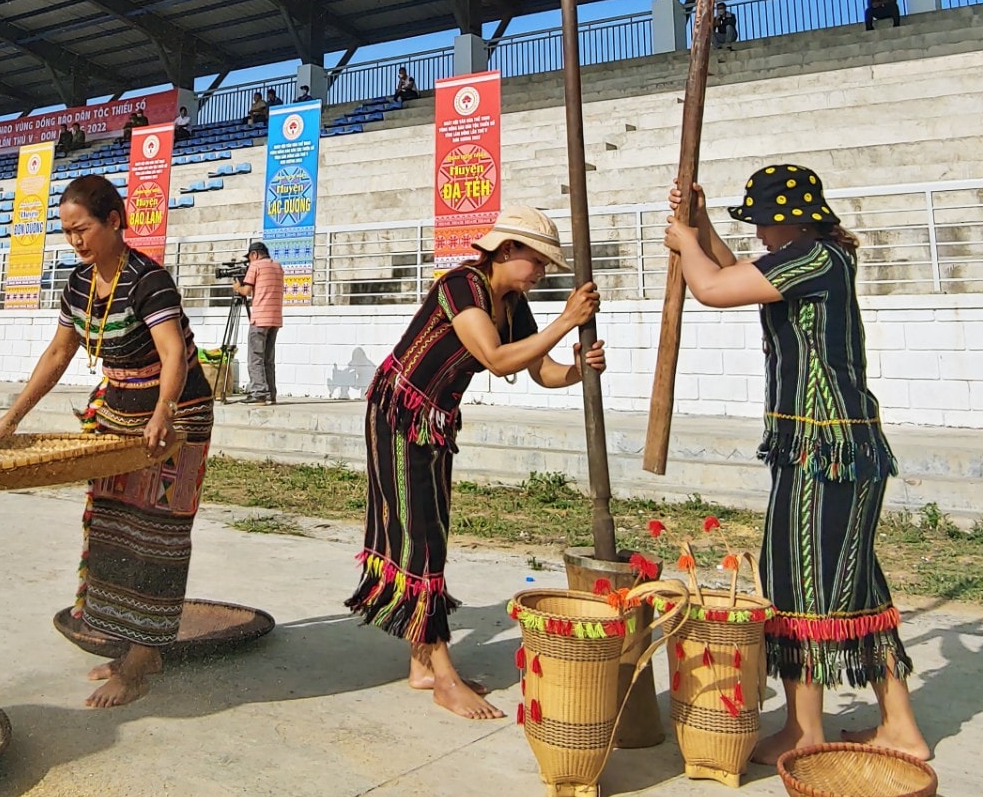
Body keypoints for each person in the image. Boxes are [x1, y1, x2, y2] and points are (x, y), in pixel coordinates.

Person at [663, 165, 928, 763]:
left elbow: (713, 287)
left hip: (823, 452)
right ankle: (900, 727)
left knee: (797, 584)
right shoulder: (817, 257)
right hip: (834, 447)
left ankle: (805, 729)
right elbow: (735, 272)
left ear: (793, 219)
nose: (757, 231)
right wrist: (700, 222)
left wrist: (685, 243)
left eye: (762, 220)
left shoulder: (816, 260)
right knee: (858, 584)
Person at [345, 205, 605, 720]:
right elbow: (496, 358)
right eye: (538, 262)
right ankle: (442, 676)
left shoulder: (514, 302)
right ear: (507, 251)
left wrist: (578, 369)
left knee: (430, 530)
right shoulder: (461, 285)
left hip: (435, 423)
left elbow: (541, 371)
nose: (542, 273)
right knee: (419, 537)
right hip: (398, 415)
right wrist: (566, 321)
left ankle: (422, 664)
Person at [0, 174, 214, 709]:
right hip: (117, 408)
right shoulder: (79, 283)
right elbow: (59, 355)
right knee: (110, 523)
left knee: (155, 530)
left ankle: (140, 661)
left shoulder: (148, 280)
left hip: (176, 414)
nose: (75, 241)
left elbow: (174, 354)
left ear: (113, 221)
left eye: (82, 229)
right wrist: (11, 419)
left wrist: (163, 412)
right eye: (66, 233)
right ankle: (129, 641)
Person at [232, 241, 285, 406]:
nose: (249, 262)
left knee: (255, 357)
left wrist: (237, 287)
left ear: (254, 255)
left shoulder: (255, 267)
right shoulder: (278, 267)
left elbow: (246, 291)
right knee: (268, 359)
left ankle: (259, 394)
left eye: (249, 258)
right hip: (275, 318)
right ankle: (271, 393)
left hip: (260, 318)